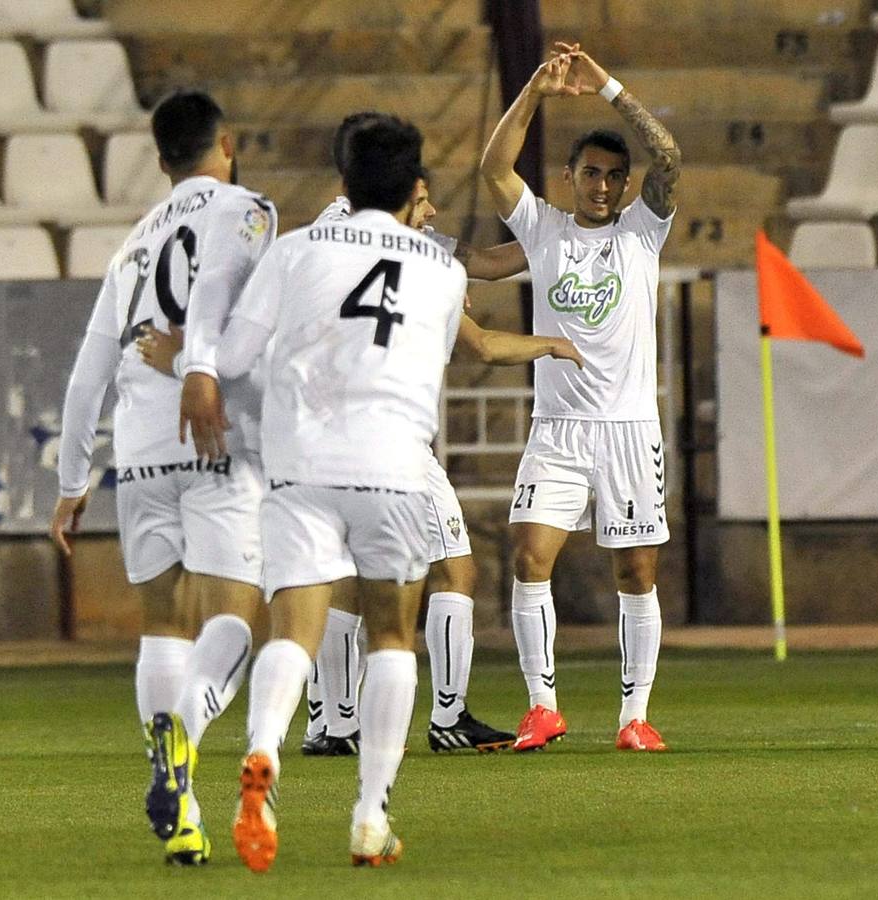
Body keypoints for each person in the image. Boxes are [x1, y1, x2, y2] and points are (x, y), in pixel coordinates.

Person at [176, 115, 579, 871]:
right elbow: (464, 347)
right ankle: (369, 817)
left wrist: (202, 373)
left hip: (301, 466)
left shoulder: (294, 251)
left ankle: (261, 759)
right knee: (394, 635)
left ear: (344, 178)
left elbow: (230, 356)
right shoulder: (441, 269)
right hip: (392, 466)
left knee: (293, 625)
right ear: (413, 187)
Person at [51, 89, 275, 866]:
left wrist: (71, 478)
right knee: (238, 619)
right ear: (228, 141)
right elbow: (215, 287)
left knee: (163, 623)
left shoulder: (131, 246)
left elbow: (87, 372)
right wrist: (201, 366)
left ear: (159, 159)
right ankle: (184, 738)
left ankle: (178, 806)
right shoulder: (248, 208)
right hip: (210, 427)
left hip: (139, 446)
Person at [298, 111, 527, 758]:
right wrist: (562, 238)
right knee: (453, 571)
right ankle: (445, 716)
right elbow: (476, 269)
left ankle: (331, 721)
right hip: (388, 433)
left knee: (341, 579)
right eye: (422, 199)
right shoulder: (407, 243)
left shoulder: (320, 234)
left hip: (319, 436)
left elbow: (472, 265)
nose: (427, 212)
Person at [480, 44, 681, 752]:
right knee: (529, 556)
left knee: (637, 571)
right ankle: (542, 707)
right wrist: (535, 88)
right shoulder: (543, 231)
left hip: (628, 429)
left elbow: (671, 158)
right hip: (559, 428)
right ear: (568, 177)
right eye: (591, 174)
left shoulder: (641, 233)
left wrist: (609, 88)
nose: (602, 186)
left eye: (613, 177)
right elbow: (492, 170)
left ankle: (634, 718)